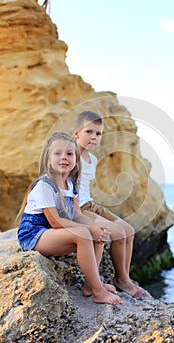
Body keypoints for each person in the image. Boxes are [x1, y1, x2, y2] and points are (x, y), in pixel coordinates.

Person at [16, 131, 123, 305]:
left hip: (52, 232)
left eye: (69, 154)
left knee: (97, 235)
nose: (63, 157)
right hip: (34, 235)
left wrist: (96, 228)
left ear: (76, 159)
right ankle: (98, 292)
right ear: (48, 158)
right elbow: (54, 221)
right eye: (57, 153)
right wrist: (89, 229)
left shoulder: (71, 185)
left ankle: (91, 284)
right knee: (83, 233)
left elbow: (77, 215)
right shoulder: (44, 185)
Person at [73, 111, 145, 298]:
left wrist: (96, 208)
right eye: (89, 132)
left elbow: (86, 187)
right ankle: (94, 284)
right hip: (77, 208)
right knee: (118, 233)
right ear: (76, 134)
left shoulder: (93, 159)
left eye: (98, 134)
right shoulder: (71, 156)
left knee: (128, 229)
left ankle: (123, 277)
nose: (94, 137)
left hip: (89, 204)